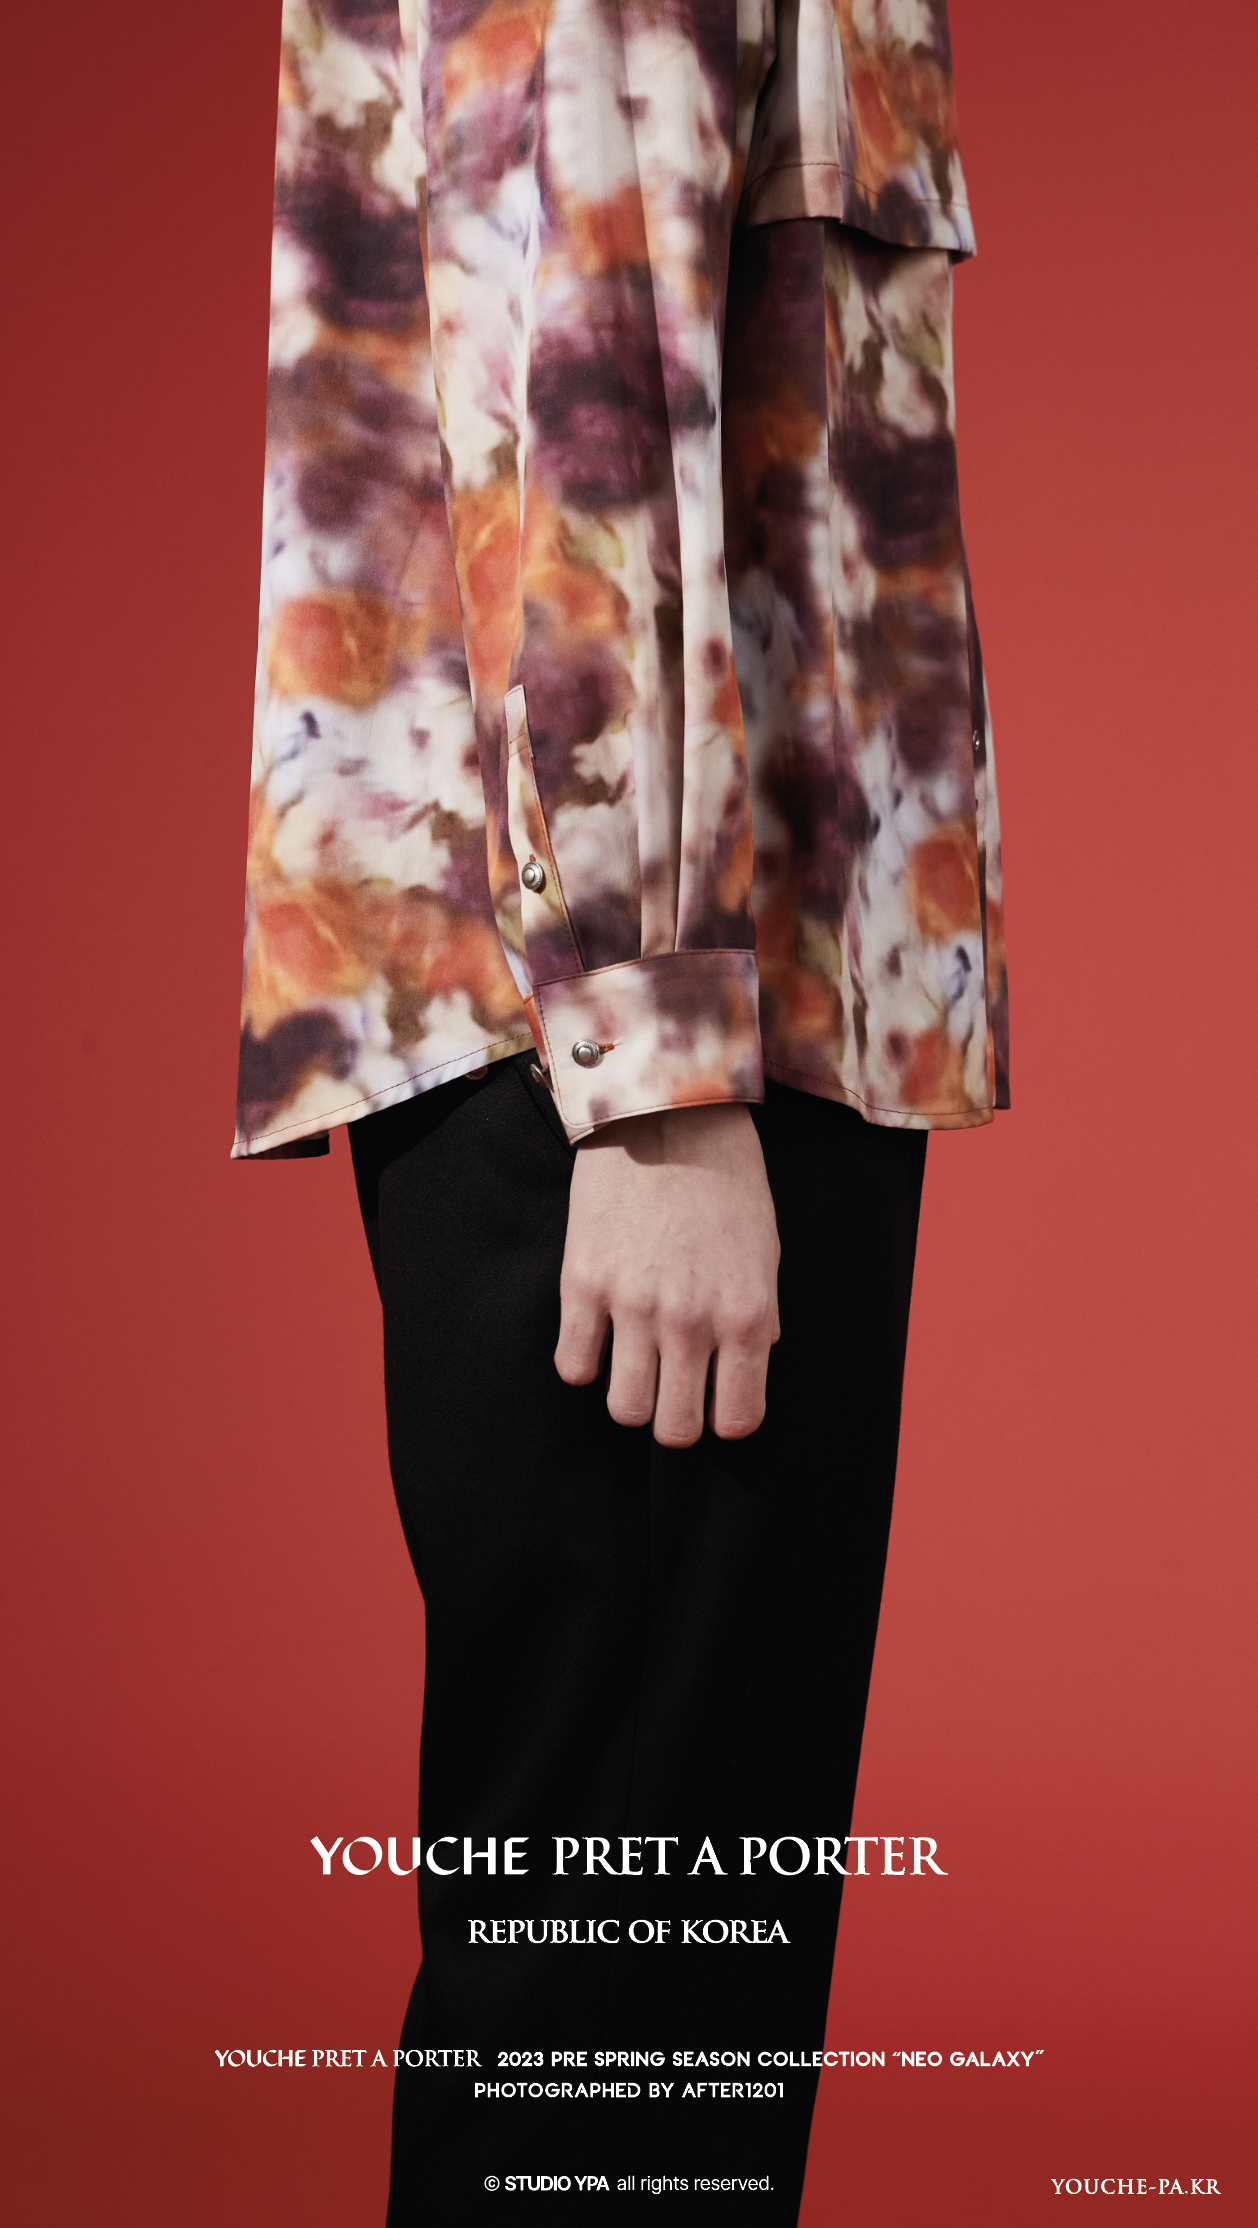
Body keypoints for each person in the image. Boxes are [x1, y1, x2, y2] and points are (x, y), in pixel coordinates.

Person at [235, 0, 1008, 2215]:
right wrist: (658, 1070)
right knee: (618, 2074)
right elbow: (579, 374)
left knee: (656, 2057)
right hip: (636, 1053)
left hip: (656, 1019)